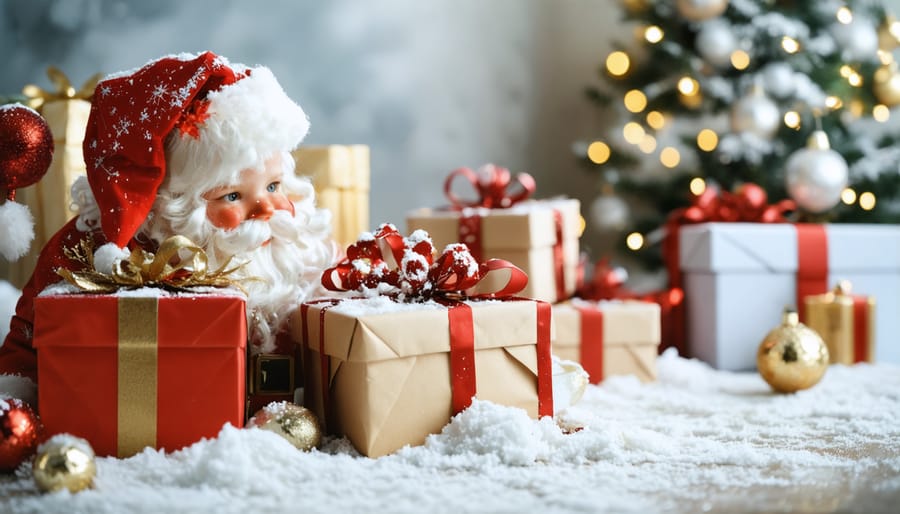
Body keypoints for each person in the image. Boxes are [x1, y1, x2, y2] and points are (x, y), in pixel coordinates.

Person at [0, 51, 338, 408]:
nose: (267, 208)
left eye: (273, 186)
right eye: (234, 195)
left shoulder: (297, 251)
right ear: (170, 204)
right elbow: (29, 343)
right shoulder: (97, 253)